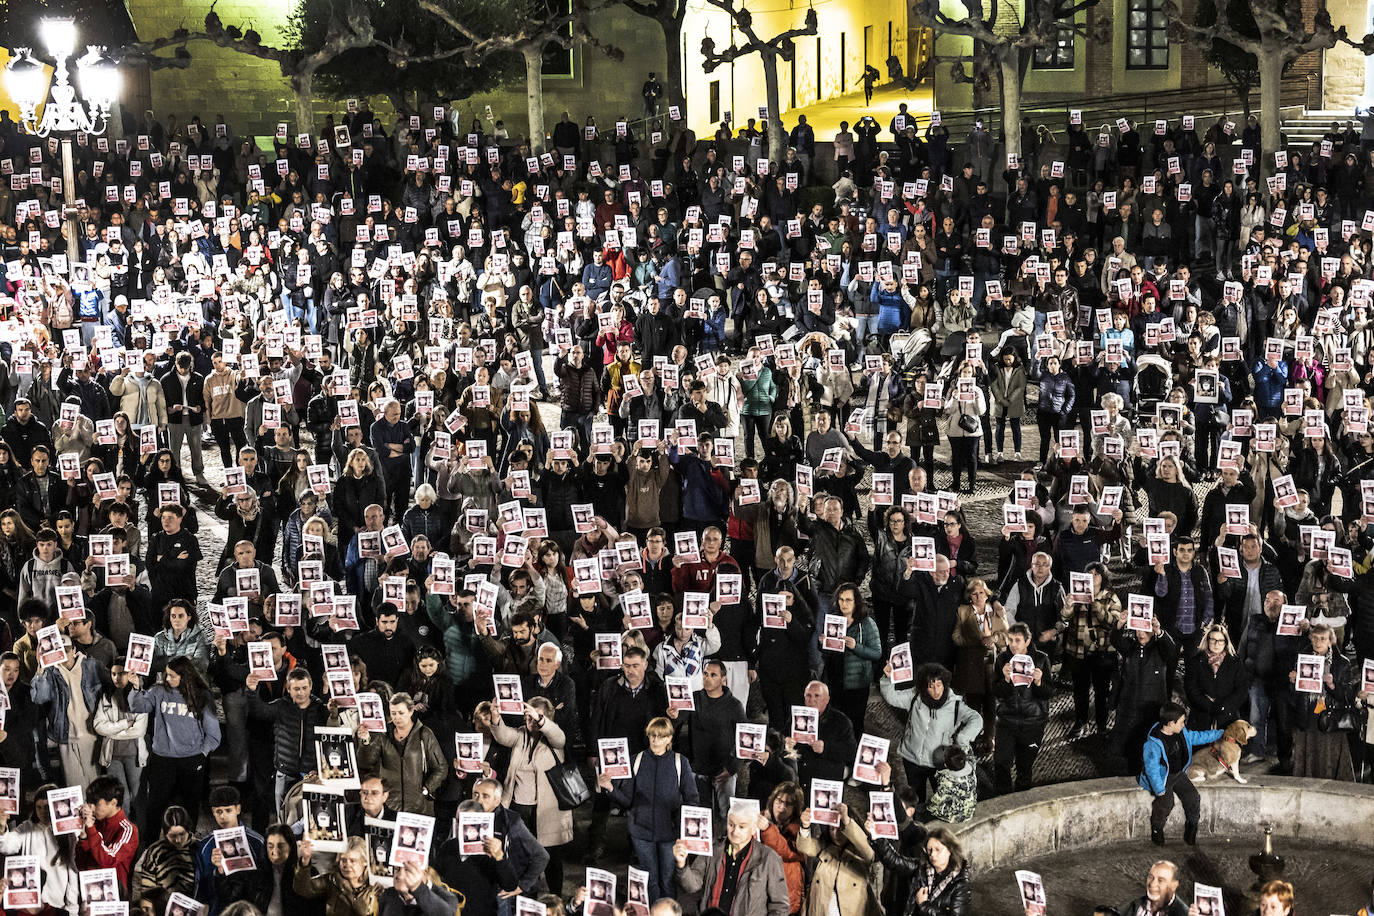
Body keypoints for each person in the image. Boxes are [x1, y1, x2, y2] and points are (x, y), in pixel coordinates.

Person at [600, 716, 698, 902]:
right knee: (650, 880)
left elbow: (692, 799)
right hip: (641, 833)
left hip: (670, 834)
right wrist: (611, 789)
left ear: (670, 738)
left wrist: (686, 829)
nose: (655, 740)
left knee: (668, 880)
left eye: (660, 736)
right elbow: (627, 800)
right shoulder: (636, 760)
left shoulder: (680, 762)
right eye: (652, 735)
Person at [880, 663, 983, 804]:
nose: (936, 691)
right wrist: (887, 679)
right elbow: (892, 697)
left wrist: (963, 738)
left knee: (942, 799)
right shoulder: (915, 696)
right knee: (916, 799)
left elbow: (976, 718)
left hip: (940, 763)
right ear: (924, 687)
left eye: (939, 685)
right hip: (912, 758)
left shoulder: (955, 704)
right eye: (931, 686)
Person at [673, 802, 790, 916]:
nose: (735, 831)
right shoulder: (713, 851)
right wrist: (682, 864)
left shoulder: (769, 858)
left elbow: (780, 906)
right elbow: (692, 886)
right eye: (731, 825)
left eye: (742, 826)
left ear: (753, 829)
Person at [1138, 703, 1224, 846]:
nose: (1184, 725)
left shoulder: (1182, 733)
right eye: (1182, 722)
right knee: (1166, 803)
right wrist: (1159, 789)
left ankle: (1192, 827)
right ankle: (1156, 829)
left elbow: (1198, 737)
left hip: (1178, 774)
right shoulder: (1153, 744)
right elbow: (1152, 769)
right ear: (1171, 723)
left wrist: (1219, 734)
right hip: (1163, 777)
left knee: (1193, 797)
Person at [871, 826, 972, 916]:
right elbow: (895, 861)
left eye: (938, 849)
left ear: (950, 850)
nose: (932, 854)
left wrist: (924, 905)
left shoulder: (960, 884)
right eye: (929, 850)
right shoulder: (921, 867)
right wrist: (876, 837)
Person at [1119, 860, 1188, 916]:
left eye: (1161, 880)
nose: (1152, 884)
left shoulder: (1184, 913)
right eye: (1150, 877)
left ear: (1174, 885)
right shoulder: (1133, 905)